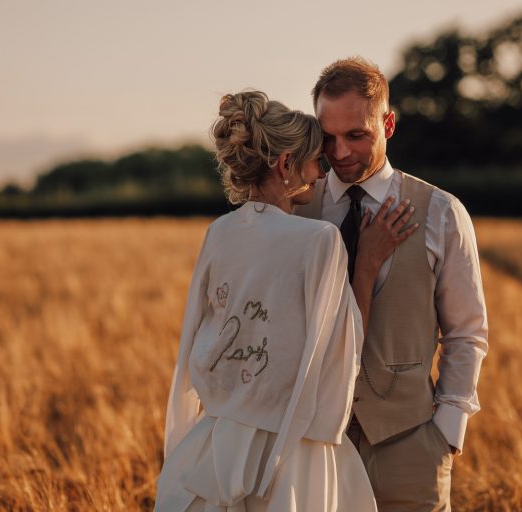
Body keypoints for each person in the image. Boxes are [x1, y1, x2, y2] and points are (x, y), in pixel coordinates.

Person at [154, 90, 418, 511]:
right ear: (285, 164)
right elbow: (339, 352)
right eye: (316, 159)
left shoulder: (218, 233)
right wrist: (365, 265)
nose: (321, 172)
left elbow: (196, 339)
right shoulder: (319, 239)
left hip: (216, 441)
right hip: (291, 447)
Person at [294, 57, 489, 511]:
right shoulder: (297, 211)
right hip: (315, 445)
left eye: (356, 135)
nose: (339, 152)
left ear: (388, 124)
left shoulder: (441, 212)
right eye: (327, 137)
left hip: (411, 443)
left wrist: (446, 433)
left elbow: (466, 332)